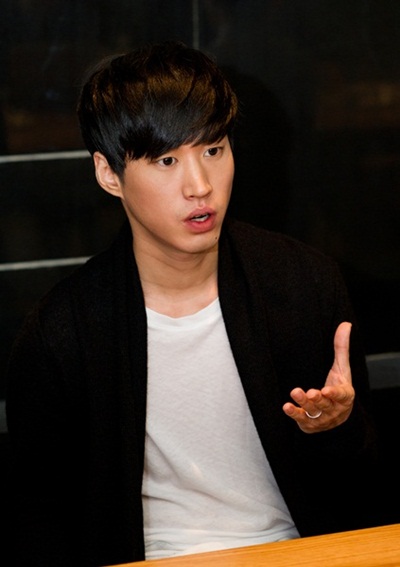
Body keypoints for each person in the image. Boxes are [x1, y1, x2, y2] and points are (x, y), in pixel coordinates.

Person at [5, 40, 380, 567]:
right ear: (109, 174)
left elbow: (363, 486)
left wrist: (337, 428)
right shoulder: (64, 331)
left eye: (213, 150)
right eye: (166, 160)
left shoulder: (300, 282)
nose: (200, 185)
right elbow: (39, 515)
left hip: (299, 551)